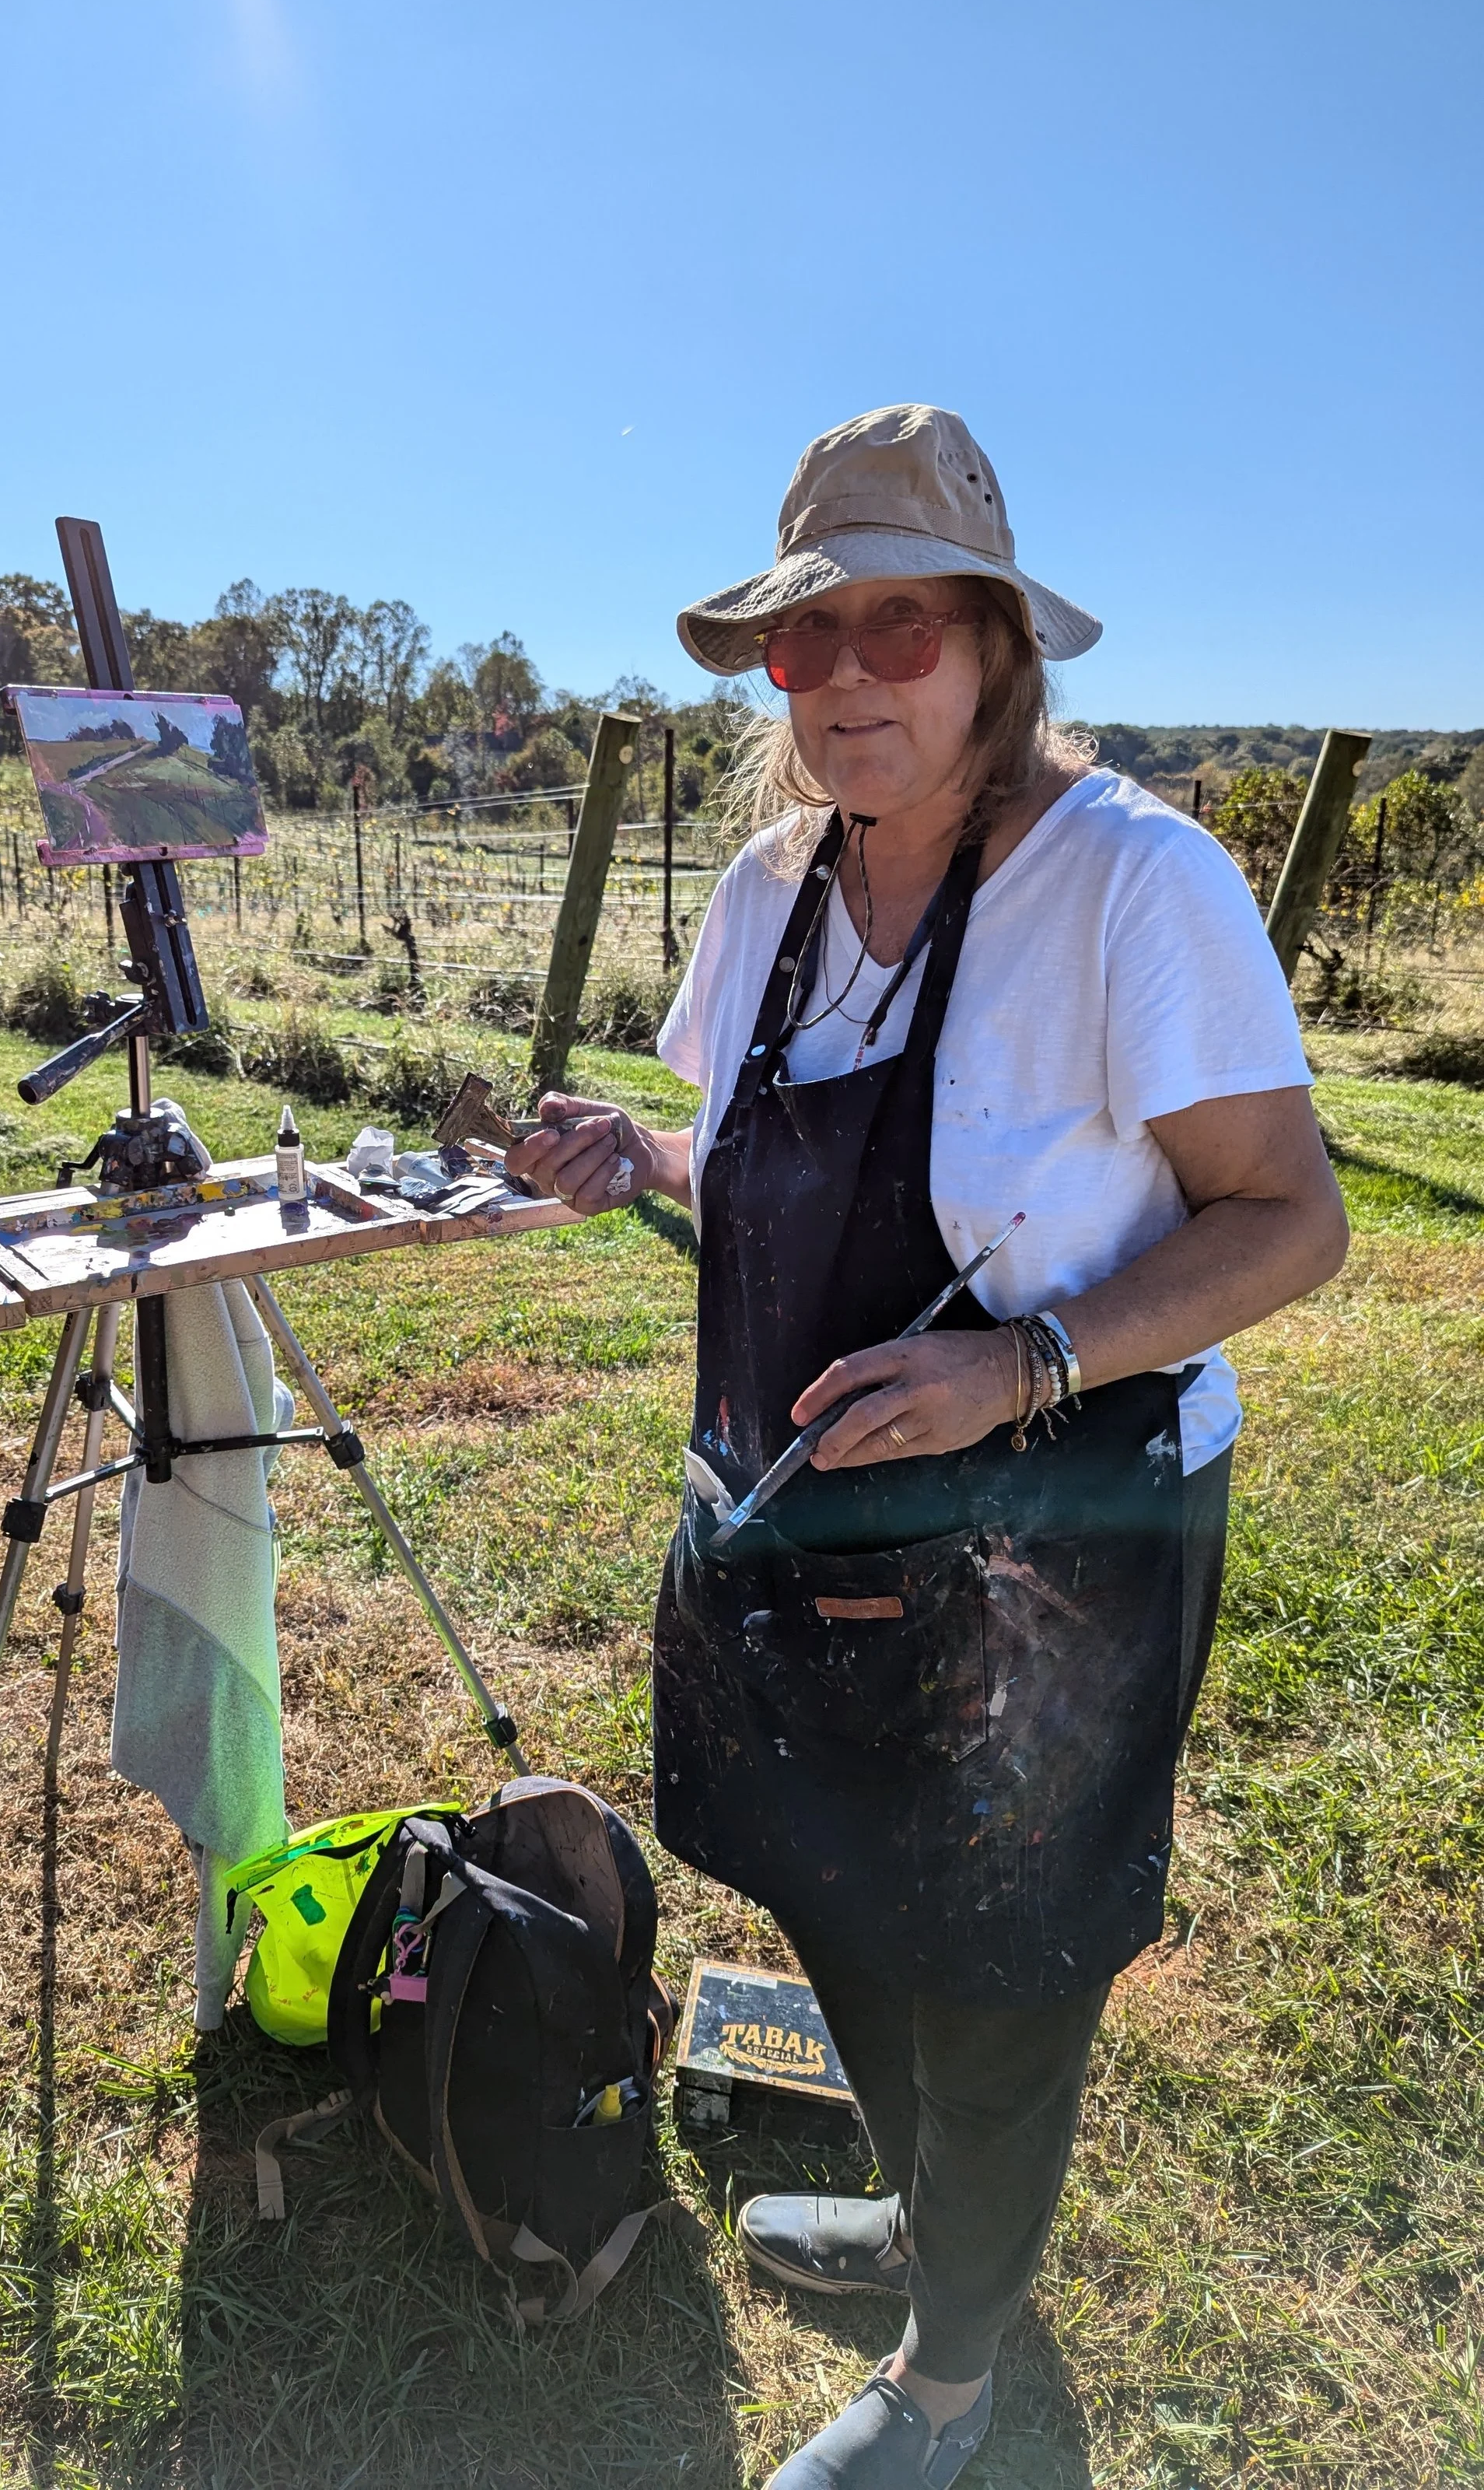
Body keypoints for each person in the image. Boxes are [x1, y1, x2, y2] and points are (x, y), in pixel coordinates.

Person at [509, 404, 1347, 2489]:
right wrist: (642, 1156)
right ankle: (926, 2220)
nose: (848, 676)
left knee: (1001, 1966)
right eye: (810, 638)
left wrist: (1023, 1363)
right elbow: (757, 1160)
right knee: (833, 1890)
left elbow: (1290, 1219)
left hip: (1057, 1538)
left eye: (903, 627)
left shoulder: (1129, 885)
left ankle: (950, 2381)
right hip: (800, 1512)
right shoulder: (769, 889)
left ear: (995, 648)